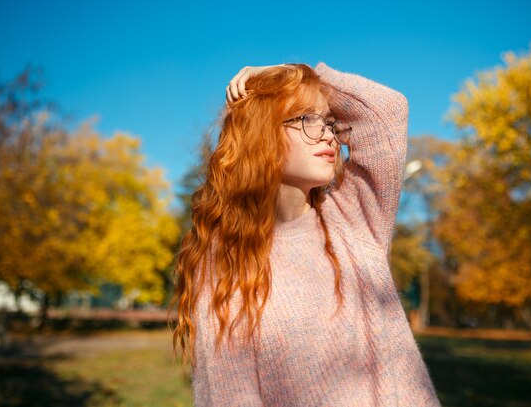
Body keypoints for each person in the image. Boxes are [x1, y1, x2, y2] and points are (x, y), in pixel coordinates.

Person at [170, 62, 441, 407]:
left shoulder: (352, 217)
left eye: (328, 121)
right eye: (306, 119)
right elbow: (228, 392)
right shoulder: (226, 256)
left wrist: (302, 72)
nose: (328, 134)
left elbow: (386, 110)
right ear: (261, 133)